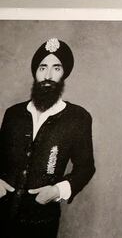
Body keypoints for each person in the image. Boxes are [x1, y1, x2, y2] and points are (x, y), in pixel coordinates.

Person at [0, 38, 95, 238]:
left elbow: (86, 167)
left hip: (42, 221)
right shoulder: (13, 114)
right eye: (43, 68)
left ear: (64, 74)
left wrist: (57, 191)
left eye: (56, 68)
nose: (48, 76)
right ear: (35, 72)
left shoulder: (78, 118)